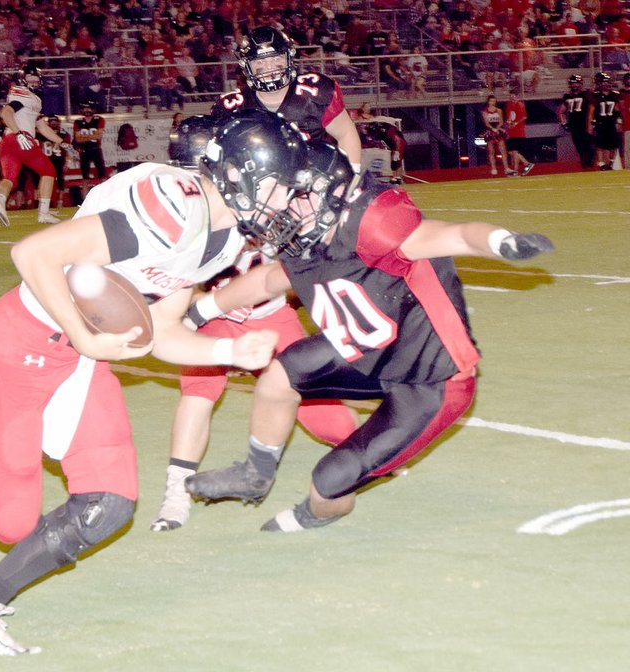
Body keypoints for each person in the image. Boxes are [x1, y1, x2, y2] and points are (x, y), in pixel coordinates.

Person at [0, 112, 297, 656]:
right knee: (13, 523)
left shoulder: (217, 240)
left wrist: (227, 350)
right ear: (243, 174)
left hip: (79, 360)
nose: (286, 201)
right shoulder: (172, 205)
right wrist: (85, 337)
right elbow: (34, 253)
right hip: (21, 344)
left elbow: (160, 332)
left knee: (110, 503)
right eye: (281, 185)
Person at [184, 115, 555, 532]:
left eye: (301, 198)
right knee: (278, 377)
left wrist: (500, 241)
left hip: (430, 380)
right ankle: (256, 474)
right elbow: (270, 279)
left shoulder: (374, 225)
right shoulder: (302, 233)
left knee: (329, 485)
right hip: (365, 354)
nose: (290, 208)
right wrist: (201, 311)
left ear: (330, 194)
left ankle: (315, 513)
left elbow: (455, 235)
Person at [150, 115, 359, 532]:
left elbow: (295, 265)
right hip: (212, 315)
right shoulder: (185, 216)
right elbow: (165, 286)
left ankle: (371, 453)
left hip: (270, 314)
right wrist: (204, 302)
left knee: (327, 415)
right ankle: (176, 490)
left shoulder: (267, 192)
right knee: (199, 392)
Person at [210, 26, 362, 170]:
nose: (269, 67)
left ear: (289, 57)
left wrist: (348, 181)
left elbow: (346, 134)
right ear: (246, 66)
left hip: (311, 185)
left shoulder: (315, 91)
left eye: (276, 58)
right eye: (260, 61)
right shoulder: (231, 106)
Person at [0, 64, 72, 227]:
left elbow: (42, 127)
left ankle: (0, 200)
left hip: (7, 142)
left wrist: (61, 142)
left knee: (10, 179)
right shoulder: (25, 95)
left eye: (36, 79)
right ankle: (43, 213)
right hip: (22, 139)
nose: (34, 82)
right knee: (48, 171)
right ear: (23, 79)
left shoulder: (33, 99)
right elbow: (6, 113)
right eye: (31, 79)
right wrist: (19, 133)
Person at [588, 72, 623, 171]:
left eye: (607, 82)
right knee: (600, 145)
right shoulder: (595, 96)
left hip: (611, 123)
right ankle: (602, 164)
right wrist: (590, 125)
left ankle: (611, 162)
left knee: (614, 145)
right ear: (599, 83)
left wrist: (619, 122)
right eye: (603, 82)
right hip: (600, 123)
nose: (605, 84)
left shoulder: (614, 95)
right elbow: (591, 111)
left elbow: (617, 110)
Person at [558, 74, 594, 170]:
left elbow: (592, 107)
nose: (575, 85)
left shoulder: (586, 94)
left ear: (581, 84)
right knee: (579, 146)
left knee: (589, 145)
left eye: (577, 83)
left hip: (585, 123)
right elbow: (561, 111)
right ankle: (585, 165)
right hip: (574, 124)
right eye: (573, 83)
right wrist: (564, 123)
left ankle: (589, 163)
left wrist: (592, 122)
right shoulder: (567, 96)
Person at [72, 102, 106, 192]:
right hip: (84, 151)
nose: (87, 110)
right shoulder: (78, 121)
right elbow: (78, 139)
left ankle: (105, 196)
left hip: (96, 150)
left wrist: (84, 137)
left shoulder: (99, 119)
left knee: (102, 175)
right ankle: (84, 200)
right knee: (85, 177)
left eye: (89, 108)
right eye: (85, 108)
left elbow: (98, 136)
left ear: (93, 109)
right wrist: (92, 136)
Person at [480, 95, 514, 177]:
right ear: (488, 102)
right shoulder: (484, 111)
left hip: (498, 130)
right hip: (489, 131)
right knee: (491, 151)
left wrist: (497, 129)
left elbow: (501, 121)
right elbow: (486, 123)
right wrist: (492, 129)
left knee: (503, 150)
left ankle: (506, 168)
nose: (493, 103)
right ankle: (493, 168)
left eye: (494, 101)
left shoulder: (499, 110)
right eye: (491, 101)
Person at [504, 89, 534, 176]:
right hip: (511, 131)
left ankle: (519, 169)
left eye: (514, 96)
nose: (512, 98)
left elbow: (524, 116)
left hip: (519, 132)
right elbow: (509, 116)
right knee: (513, 152)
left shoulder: (520, 104)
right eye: (511, 96)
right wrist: (509, 123)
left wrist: (516, 123)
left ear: (517, 97)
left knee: (514, 152)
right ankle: (525, 164)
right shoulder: (509, 104)